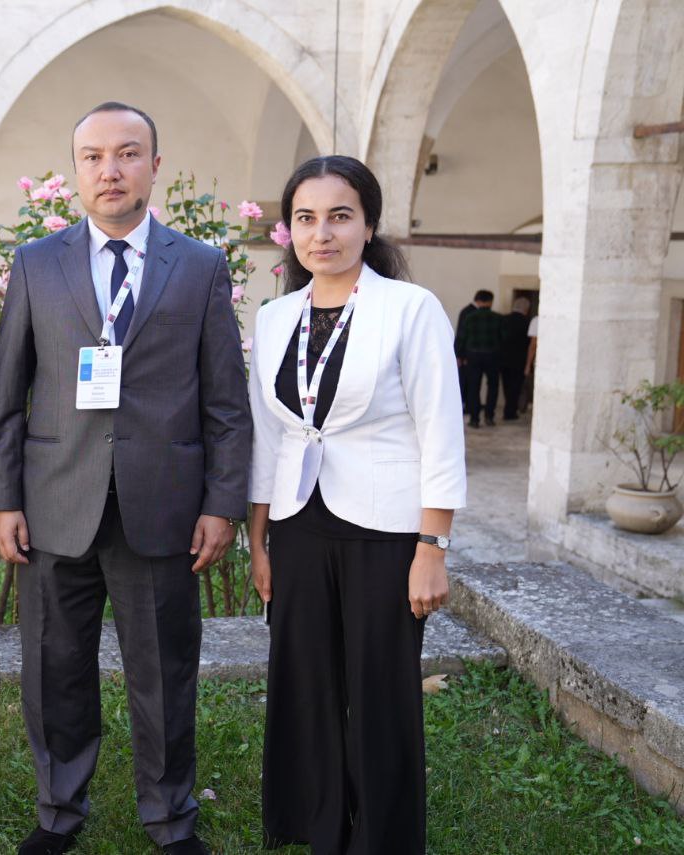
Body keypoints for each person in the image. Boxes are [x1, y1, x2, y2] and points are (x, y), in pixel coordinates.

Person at [0, 102, 252, 855]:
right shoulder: (37, 264)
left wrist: (222, 503)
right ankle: (58, 812)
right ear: (76, 171)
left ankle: (169, 818)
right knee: (54, 668)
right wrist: (2, 499)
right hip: (54, 502)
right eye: (94, 157)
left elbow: (225, 401)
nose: (111, 170)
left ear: (154, 166)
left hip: (162, 508)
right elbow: (7, 394)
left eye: (128, 154)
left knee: (163, 673)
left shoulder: (199, 266)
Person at [248, 155, 466, 854]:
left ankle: (381, 838)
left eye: (340, 216)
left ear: (368, 225)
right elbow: (268, 437)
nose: (323, 233)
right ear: (289, 231)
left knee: (379, 691)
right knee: (304, 681)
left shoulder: (410, 309)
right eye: (306, 218)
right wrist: (258, 541)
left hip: (386, 530)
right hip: (298, 525)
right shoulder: (275, 316)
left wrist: (432, 549)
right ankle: (317, 822)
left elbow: (440, 431)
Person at [455, 289, 503, 427]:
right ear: (490, 302)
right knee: (493, 386)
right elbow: (503, 338)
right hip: (492, 356)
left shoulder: (469, 317)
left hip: (473, 356)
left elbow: (461, 337)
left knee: (473, 386)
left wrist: (459, 355)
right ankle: (489, 417)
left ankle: (474, 419)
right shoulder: (498, 318)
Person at [500, 297, 531, 420]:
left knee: (506, 385)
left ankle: (508, 409)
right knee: (516, 386)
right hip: (519, 360)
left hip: (503, 358)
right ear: (526, 309)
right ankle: (510, 411)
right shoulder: (527, 322)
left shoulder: (503, 319)